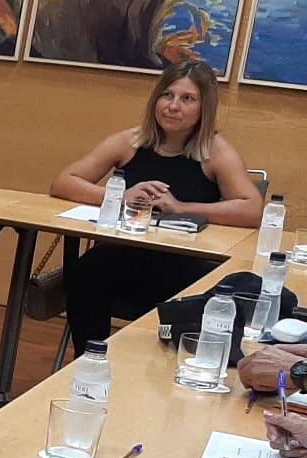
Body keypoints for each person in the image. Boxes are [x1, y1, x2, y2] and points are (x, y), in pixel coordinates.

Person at [51, 58, 263, 345]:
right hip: (122, 255)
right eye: (167, 95)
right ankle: (89, 360)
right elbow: (64, 182)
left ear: (204, 109)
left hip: (182, 264)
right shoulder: (131, 141)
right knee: (84, 272)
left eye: (187, 99)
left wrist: (181, 208)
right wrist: (120, 196)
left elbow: (252, 209)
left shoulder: (215, 151)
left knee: (206, 287)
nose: (173, 106)